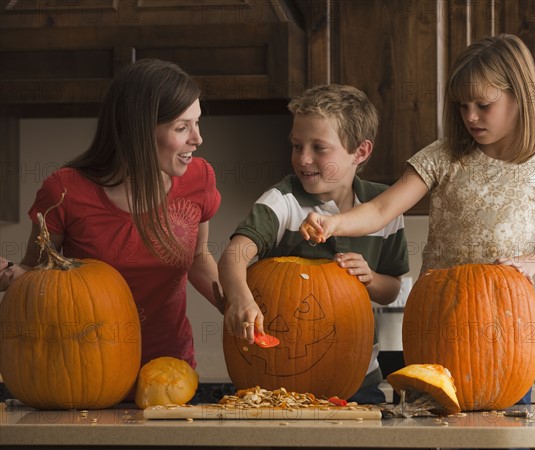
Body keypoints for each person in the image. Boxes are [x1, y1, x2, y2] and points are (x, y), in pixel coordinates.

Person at [300, 35, 535, 409]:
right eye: (462, 105)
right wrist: (333, 223)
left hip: (506, 337)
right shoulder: (443, 156)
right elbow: (382, 209)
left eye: (483, 105)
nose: (470, 116)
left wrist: (533, 263)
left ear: (520, 97)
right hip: (434, 329)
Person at [0, 59, 224, 371]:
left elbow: (199, 258)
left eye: (197, 123)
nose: (197, 139)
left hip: (168, 367)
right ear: (139, 130)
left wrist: (237, 304)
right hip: (83, 368)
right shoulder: (64, 191)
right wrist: (9, 274)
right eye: (182, 127)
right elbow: (37, 273)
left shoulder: (199, 179)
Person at [218, 84, 410, 404]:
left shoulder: (383, 206)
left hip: (359, 377)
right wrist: (239, 298)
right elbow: (235, 254)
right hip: (278, 381)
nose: (303, 158)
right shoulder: (284, 201)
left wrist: (370, 278)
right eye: (296, 146)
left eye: (319, 148)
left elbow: (391, 289)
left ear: (360, 152)